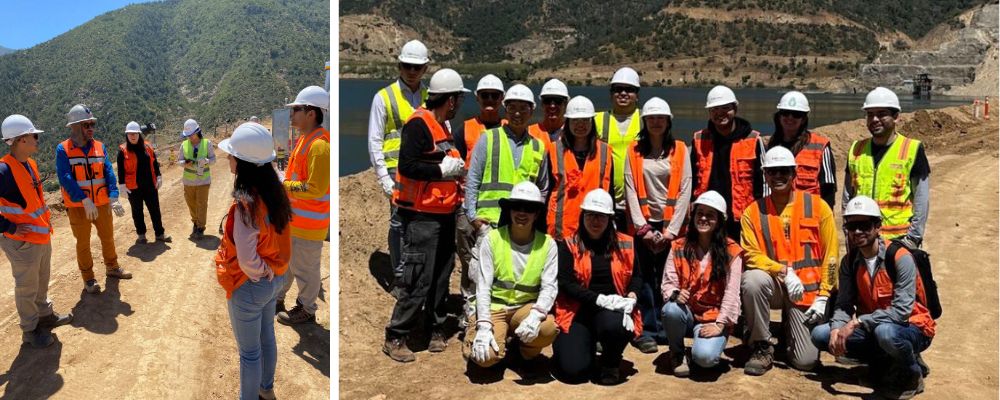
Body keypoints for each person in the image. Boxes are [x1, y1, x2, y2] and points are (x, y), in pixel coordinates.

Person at [811, 196, 935, 400]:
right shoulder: (850, 262)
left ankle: (912, 374)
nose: (858, 232)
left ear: (878, 226)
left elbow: (901, 312)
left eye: (864, 225)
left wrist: (857, 322)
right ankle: (884, 364)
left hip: (912, 326)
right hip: (872, 327)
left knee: (886, 333)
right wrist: (836, 328)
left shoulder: (899, 257)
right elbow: (843, 304)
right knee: (821, 335)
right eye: (852, 226)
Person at [383, 68, 468, 362]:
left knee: (441, 275)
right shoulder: (419, 124)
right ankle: (396, 336)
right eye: (458, 99)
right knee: (418, 277)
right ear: (452, 100)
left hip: (443, 214)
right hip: (421, 217)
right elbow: (407, 166)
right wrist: (441, 170)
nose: (459, 105)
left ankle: (435, 328)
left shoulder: (441, 126)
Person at [740, 147, 839, 376]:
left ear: (794, 173)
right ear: (765, 175)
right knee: (752, 280)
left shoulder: (818, 207)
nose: (778, 177)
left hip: (807, 293)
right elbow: (751, 254)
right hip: (775, 284)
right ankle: (761, 345)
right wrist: (783, 271)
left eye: (783, 171)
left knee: (805, 361)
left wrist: (824, 295)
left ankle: (790, 327)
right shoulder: (753, 212)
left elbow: (831, 256)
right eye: (772, 172)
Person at [214, 122, 292, 400]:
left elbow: (247, 260)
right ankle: (266, 390)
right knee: (267, 336)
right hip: (274, 279)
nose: (228, 158)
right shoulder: (275, 192)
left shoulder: (245, 204)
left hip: (250, 285)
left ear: (244, 163)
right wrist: (271, 271)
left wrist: (262, 272)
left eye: (232, 154)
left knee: (249, 354)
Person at [463, 182, 558, 369]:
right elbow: (483, 287)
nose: (522, 213)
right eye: (517, 207)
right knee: (485, 357)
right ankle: (485, 340)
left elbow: (549, 287)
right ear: (509, 210)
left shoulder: (547, 244)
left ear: (537, 213)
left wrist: (536, 316)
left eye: (529, 208)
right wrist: (483, 325)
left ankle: (522, 352)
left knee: (547, 328)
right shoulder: (493, 239)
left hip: (524, 309)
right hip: (493, 309)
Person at [552, 189, 642, 385]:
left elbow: (636, 277)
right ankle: (584, 345)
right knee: (574, 372)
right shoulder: (569, 244)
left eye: (601, 216)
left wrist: (632, 296)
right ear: (582, 215)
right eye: (591, 215)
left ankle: (611, 363)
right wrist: (598, 299)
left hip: (611, 311)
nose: (595, 221)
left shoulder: (626, 243)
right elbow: (565, 283)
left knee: (616, 327)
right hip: (577, 312)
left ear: (610, 218)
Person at [623, 97, 692, 353]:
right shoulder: (634, 150)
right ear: (645, 121)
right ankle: (647, 330)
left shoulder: (681, 149)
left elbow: (686, 190)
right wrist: (643, 229)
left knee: (669, 278)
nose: (656, 122)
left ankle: (668, 329)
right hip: (643, 226)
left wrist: (670, 232)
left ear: (668, 121)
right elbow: (630, 188)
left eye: (660, 118)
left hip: (671, 228)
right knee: (643, 280)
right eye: (651, 118)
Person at [0, 115, 72, 348]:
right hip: (21, 243)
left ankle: (45, 315)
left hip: (40, 236)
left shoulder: (29, 164)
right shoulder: (3, 171)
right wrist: (8, 226)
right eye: (34, 136)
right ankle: (30, 331)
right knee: (27, 287)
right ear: (21, 140)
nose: (37, 140)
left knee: (42, 281)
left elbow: (35, 201)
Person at [368, 40, 430, 290]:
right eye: (407, 66)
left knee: (422, 223)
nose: (412, 71)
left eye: (417, 67)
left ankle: (419, 274)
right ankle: (401, 277)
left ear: (425, 68)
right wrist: (384, 178)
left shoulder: (430, 97)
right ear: (399, 66)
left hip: (426, 171)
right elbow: (375, 141)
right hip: (398, 172)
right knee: (399, 223)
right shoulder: (384, 97)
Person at [661, 191, 742, 377]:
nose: (703, 218)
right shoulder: (678, 246)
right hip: (687, 313)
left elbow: (732, 293)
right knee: (670, 309)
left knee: (705, 359)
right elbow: (668, 281)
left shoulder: (732, 251)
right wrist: (674, 294)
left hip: (713, 317)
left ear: (720, 221)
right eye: (700, 213)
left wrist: (721, 324)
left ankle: (700, 351)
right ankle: (677, 353)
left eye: (710, 215)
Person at [844, 87, 930, 249]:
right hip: (862, 240)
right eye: (870, 114)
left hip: (898, 240)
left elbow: (921, 198)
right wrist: (848, 233)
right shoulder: (856, 150)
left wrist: (913, 238)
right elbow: (847, 197)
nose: (874, 119)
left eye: (881, 114)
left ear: (896, 117)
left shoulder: (912, 149)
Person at [57, 104, 130, 294]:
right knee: (83, 243)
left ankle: (112, 267)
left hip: (102, 202)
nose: (91, 128)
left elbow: (108, 172)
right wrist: (83, 199)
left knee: (107, 237)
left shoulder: (99, 146)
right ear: (74, 127)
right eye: (86, 124)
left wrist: (113, 196)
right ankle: (88, 279)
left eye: (92, 124)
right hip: (78, 206)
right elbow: (65, 177)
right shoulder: (63, 149)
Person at [275, 86, 331, 325]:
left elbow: (316, 188)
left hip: (309, 225)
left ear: (312, 113)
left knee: (306, 271)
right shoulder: (305, 140)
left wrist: (284, 185)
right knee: (287, 264)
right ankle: (278, 298)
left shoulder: (319, 146)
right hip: (296, 221)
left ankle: (307, 309)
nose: (292, 113)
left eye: (297, 109)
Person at [465, 84, 550, 234]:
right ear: (505, 110)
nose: (517, 113)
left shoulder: (538, 147)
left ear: (531, 111)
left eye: (523, 108)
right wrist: (473, 218)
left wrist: (533, 217)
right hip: (489, 224)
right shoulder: (488, 138)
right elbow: (473, 180)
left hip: (522, 229)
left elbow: (542, 189)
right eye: (512, 108)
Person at [453, 74, 506, 311]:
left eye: (495, 96)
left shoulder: (510, 130)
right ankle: (469, 308)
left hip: (500, 211)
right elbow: (454, 168)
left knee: (499, 262)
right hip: (469, 208)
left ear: (502, 99)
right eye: (485, 95)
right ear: (477, 98)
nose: (490, 100)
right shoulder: (465, 129)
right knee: (470, 263)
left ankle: (494, 308)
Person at [690, 85, 767, 241]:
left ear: (735, 108)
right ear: (709, 112)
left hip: (741, 218)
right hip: (708, 217)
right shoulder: (699, 139)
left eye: (726, 108)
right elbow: (690, 179)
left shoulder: (753, 140)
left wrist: (762, 215)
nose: (720, 113)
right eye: (715, 109)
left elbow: (764, 182)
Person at [546, 96, 612, 241]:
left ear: (592, 122)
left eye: (585, 120)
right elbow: (548, 189)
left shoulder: (605, 151)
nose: (580, 125)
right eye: (575, 120)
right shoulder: (554, 150)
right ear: (567, 122)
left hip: (595, 230)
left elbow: (610, 191)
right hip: (561, 230)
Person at [766, 91, 836, 207]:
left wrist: (824, 219)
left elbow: (828, 188)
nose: (790, 118)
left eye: (796, 114)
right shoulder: (772, 146)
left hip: (810, 216)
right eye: (785, 113)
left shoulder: (820, 146)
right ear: (779, 116)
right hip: (778, 215)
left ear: (803, 119)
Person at [595, 67, 642, 230]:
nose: (623, 93)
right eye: (618, 89)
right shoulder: (597, 120)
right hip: (605, 202)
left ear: (637, 95)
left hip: (638, 204)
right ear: (611, 94)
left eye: (629, 90)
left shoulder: (647, 120)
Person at [117, 121, 170, 244]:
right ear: (127, 135)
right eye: (130, 134)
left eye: (135, 133)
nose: (133, 136)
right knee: (137, 211)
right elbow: (120, 169)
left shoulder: (147, 147)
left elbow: (154, 163)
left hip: (150, 185)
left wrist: (159, 176)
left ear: (139, 134)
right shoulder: (123, 151)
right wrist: (122, 185)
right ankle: (141, 235)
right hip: (133, 188)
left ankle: (160, 234)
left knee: (155, 210)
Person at [179, 118, 216, 240]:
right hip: (188, 182)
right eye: (187, 135)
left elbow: (213, 160)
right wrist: (185, 163)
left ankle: (201, 227)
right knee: (191, 204)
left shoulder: (207, 143)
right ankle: (195, 222)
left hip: (203, 181)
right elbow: (180, 161)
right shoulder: (184, 145)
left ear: (197, 131)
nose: (189, 137)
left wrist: (206, 161)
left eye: (191, 135)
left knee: (202, 204)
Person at [529, 78, 569, 145]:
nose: (552, 106)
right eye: (547, 100)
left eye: (558, 101)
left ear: (565, 104)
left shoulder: (574, 134)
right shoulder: (529, 132)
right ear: (542, 104)